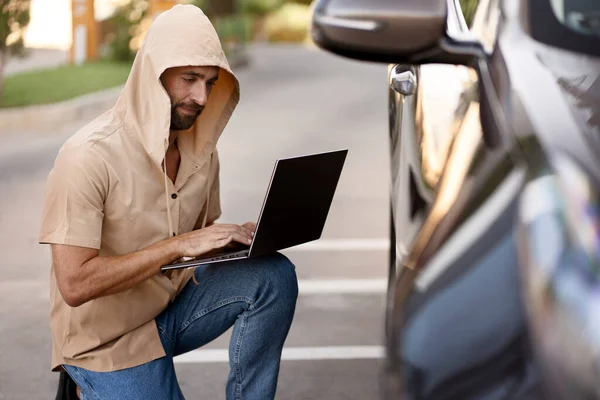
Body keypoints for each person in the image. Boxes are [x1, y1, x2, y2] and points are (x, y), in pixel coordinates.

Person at [39, 5, 298, 399]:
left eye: (210, 82)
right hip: (104, 343)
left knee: (273, 276)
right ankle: (84, 387)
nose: (200, 97)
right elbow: (75, 284)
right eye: (189, 79)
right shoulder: (87, 156)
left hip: (169, 311)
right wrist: (177, 245)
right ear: (153, 75)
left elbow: (193, 246)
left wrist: (230, 241)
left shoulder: (201, 153)